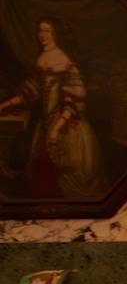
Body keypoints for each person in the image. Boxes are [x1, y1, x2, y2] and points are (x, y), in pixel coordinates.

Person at [0, 18, 105, 198]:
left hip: (66, 124)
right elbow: (31, 90)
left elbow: (74, 100)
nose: (42, 35)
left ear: (55, 34)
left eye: (47, 30)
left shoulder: (63, 61)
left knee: (70, 169)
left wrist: (56, 129)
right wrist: (4, 105)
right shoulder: (43, 58)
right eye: (40, 30)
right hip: (47, 122)